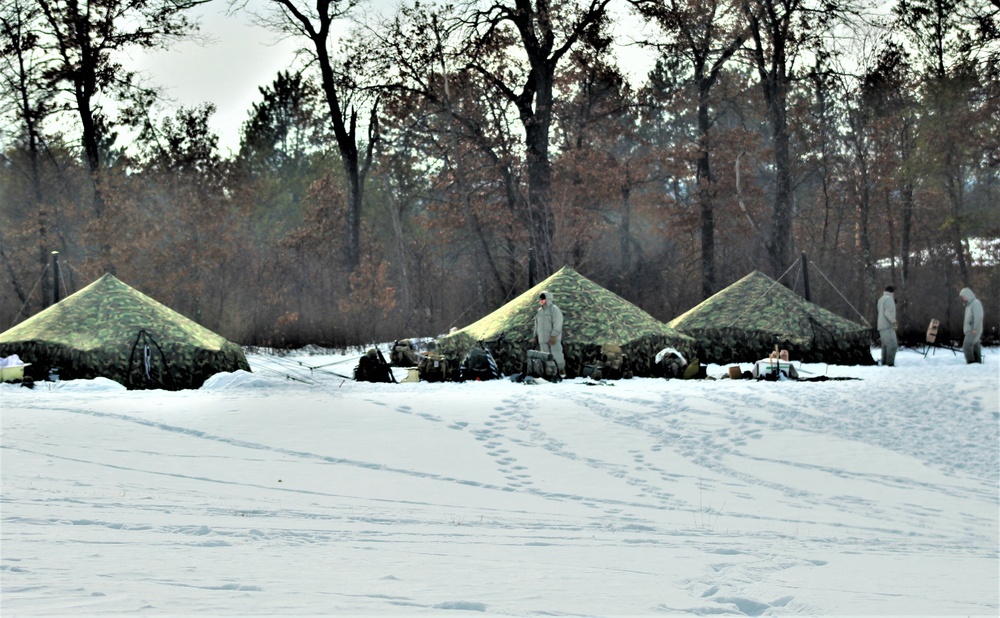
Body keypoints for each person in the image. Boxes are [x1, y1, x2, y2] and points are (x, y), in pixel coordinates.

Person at [534, 290, 565, 375]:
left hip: (553, 338)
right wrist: (535, 335)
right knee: (545, 356)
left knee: (557, 354)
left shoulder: (554, 310)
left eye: (543, 299)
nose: (541, 301)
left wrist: (554, 335)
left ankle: (561, 370)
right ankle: (549, 372)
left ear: (548, 299)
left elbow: (558, 323)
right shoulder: (539, 311)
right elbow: (536, 324)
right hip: (542, 338)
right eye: (540, 299)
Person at [959, 288, 984, 364]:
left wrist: (975, 328)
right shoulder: (969, 305)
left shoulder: (975, 303)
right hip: (970, 329)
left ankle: (971, 363)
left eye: (963, 296)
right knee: (975, 346)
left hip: (972, 330)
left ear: (968, 295)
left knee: (966, 347)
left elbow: (978, 316)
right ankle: (977, 363)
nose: (963, 298)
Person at [876, 285, 898, 367]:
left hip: (881, 326)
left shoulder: (881, 300)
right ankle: (890, 364)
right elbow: (887, 313)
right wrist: (893, 321)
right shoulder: (889, 299)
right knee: (892, 345)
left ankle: (884, 363)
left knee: (885, 345)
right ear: (892, 292)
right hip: (887, 326)